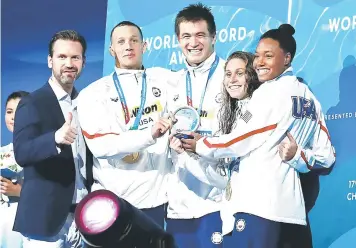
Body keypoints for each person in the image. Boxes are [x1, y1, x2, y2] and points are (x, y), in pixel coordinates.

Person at [190, 24, 336, 248]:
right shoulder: (310, 99)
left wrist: (200, 144)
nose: (259, 62)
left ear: (286, 58)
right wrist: (299, 156)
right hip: (295, 216)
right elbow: (327, 157)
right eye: (257, 56)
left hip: (259, 213)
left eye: (268, 56)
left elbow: (238, 140)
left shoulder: (269, 92)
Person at [77, 21, 174, 228]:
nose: (128, 46)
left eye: (134, 40)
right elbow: (101, 146)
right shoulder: (93, 93)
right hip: (115, 203)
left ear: (144, 46)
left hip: (158, 201)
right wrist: (149, 134)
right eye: (121, 42)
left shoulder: (165, 80)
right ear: (112, 49)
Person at [12, 30, 93, 248]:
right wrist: (55, 139)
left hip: (83, 217)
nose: (69, 63)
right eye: (62, 57)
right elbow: (22, 152)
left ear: (84, 62)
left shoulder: (87, 103)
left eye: (75, 57)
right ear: (50, 61)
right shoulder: (32, 102)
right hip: (45, 220)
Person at [165, 4, 227, 247]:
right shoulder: (172, 82)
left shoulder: (232, 76)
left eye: (200, 35)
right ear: (178, 40)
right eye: (186, 36)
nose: (193, 43)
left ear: (214, 36)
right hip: (180, 205)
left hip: (220, 200)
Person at [0, 91, 29, 248]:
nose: (13, 117)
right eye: (9, 112)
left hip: (25, 221)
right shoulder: (2, 152)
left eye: (19, 111)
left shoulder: (43, 151)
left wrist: (18, 191)